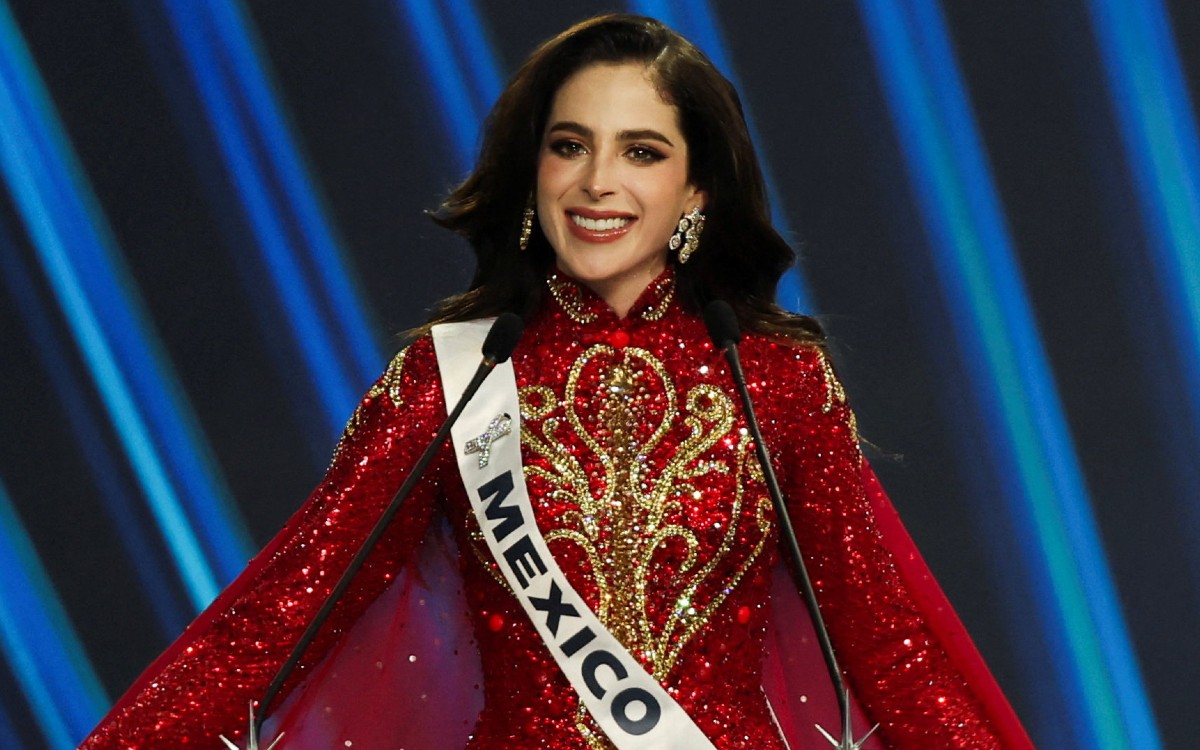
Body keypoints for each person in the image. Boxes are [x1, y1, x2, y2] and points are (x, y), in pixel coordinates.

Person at [80, 14, 1033, 750]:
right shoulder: (454, 377)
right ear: (533, 171)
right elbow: (278, 617)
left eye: (642, 151)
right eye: (569, 145)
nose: (596, 181)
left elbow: (891, 648)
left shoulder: (777, 382)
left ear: (698, 190)